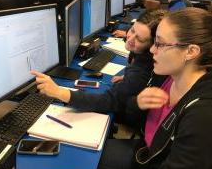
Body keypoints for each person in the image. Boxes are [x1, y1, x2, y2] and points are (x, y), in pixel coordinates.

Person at [45, 7, 212, 169]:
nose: (151, 50)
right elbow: (138, 115)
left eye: (159, 43)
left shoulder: (207, 117)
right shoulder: (169, 77)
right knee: (80, 157)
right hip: (147, 155)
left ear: (191, 51)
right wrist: (138, 103)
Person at [32, 9, 167, 129]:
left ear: (152, 45)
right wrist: (129, 80)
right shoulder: (142, 60)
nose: (130, 38)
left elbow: (106, 102)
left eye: (140, 39)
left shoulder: (142, 70)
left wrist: (59, 92)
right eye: (132, 30)